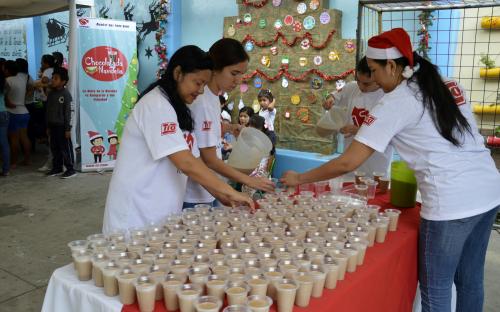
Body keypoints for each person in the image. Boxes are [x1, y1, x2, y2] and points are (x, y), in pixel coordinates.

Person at [281, 28, 500, 312]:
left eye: (373, 70)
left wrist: (299, 178)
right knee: (470, 280)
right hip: (488, 191)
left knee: (436, 287)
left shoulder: (396, 101)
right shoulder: (446, 83)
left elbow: (349, 161)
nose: (372, 78)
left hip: (451, 202)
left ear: (393, 67)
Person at [102, 45, 254, 234]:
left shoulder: (179, 108)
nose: (200, 91)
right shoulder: (156, 105)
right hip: (137, 214)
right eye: (197, 83)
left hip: (161, 212)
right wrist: (229, 190)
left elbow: (195, 159)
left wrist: (219, 193)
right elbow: (185, 162)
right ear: (178, 73)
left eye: (204, 85)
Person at [183, 38, 274, 208]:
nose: (238, 80)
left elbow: (203, 131)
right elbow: (209, 159)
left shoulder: (212, 97)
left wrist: (230, 128)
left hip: (210, 189)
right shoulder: (201, 100)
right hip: (196, 194)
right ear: (215, 69)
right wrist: (249, 180)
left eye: (242, 74)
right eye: (234, 73)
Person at [317, 57, 392, 177]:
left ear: (379, 78)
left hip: (376, 167)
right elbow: (335, 96)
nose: (361, 87)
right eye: (358, 81)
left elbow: (390, 136)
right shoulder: (352, 87)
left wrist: (358, 130)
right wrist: (329, 100)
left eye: (367, 83)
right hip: (350, 166)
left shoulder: (388, 96)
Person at [45, 67, 76, 178]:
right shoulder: (51, 94)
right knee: (55, 148)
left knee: (65, 148)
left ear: (63, 81)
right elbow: (48, 110)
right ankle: (57, 168)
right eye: (52, 78)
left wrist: (68, 128)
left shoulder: (66, 95)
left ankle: (71, 169)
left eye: (56, 78)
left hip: (62, 127)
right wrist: (48, 126)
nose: (53, 80)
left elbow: (69, 112)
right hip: (53, 126)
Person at [4, 60, 31, 167]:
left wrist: (8, 102)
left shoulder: (7, 80)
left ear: (7, 69)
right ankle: (27, 160)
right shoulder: (23, 78)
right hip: (24, 111)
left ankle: (14, 162)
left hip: (13, 112)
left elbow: (4, 95)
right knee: (24, 137)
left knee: (13, 139)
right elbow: (31, 88)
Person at [35, 54, 56, 172]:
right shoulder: (53, 70)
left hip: (48, 103)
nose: (41, 64)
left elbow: (44, 82)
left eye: (42, 62)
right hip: (51, 103)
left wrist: (38, 83)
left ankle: (51, 161)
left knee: (50, 133)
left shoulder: (47, 71)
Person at [0, 59, 10, 176]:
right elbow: (8, 90)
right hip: (4, 112)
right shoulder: (4, 82)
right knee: (4, 142)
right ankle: (6, 169)